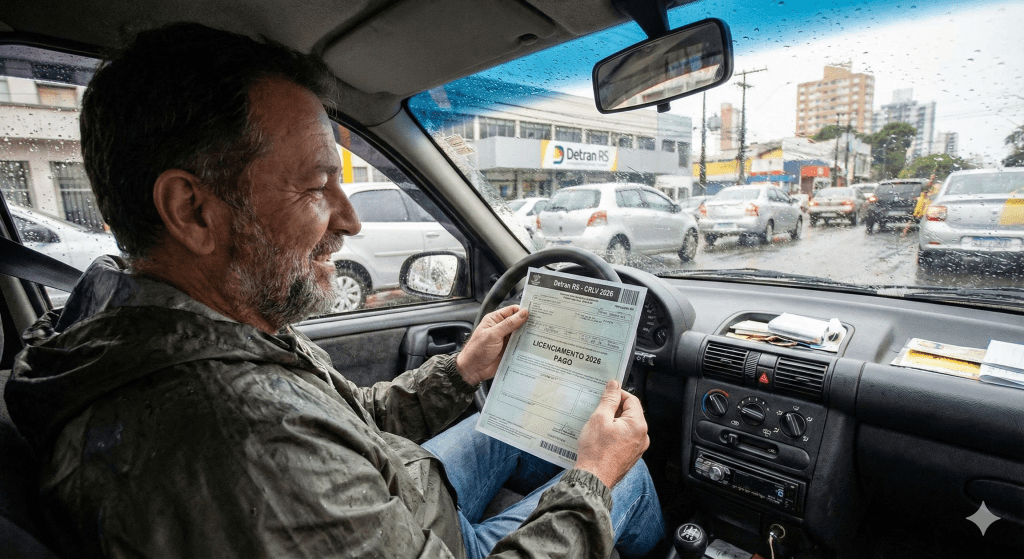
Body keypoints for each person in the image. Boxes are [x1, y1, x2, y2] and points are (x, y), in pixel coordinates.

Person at [4, 22, 663, 559]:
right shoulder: (250, 444)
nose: (349, 219)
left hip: (398, 487)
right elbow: (295, 440)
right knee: (624, 476)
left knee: (518, 424)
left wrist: (460, 371)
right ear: (193, 210)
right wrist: (591, 480)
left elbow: (350, 417)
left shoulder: (192, 322)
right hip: (427, 534)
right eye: (317, 185)